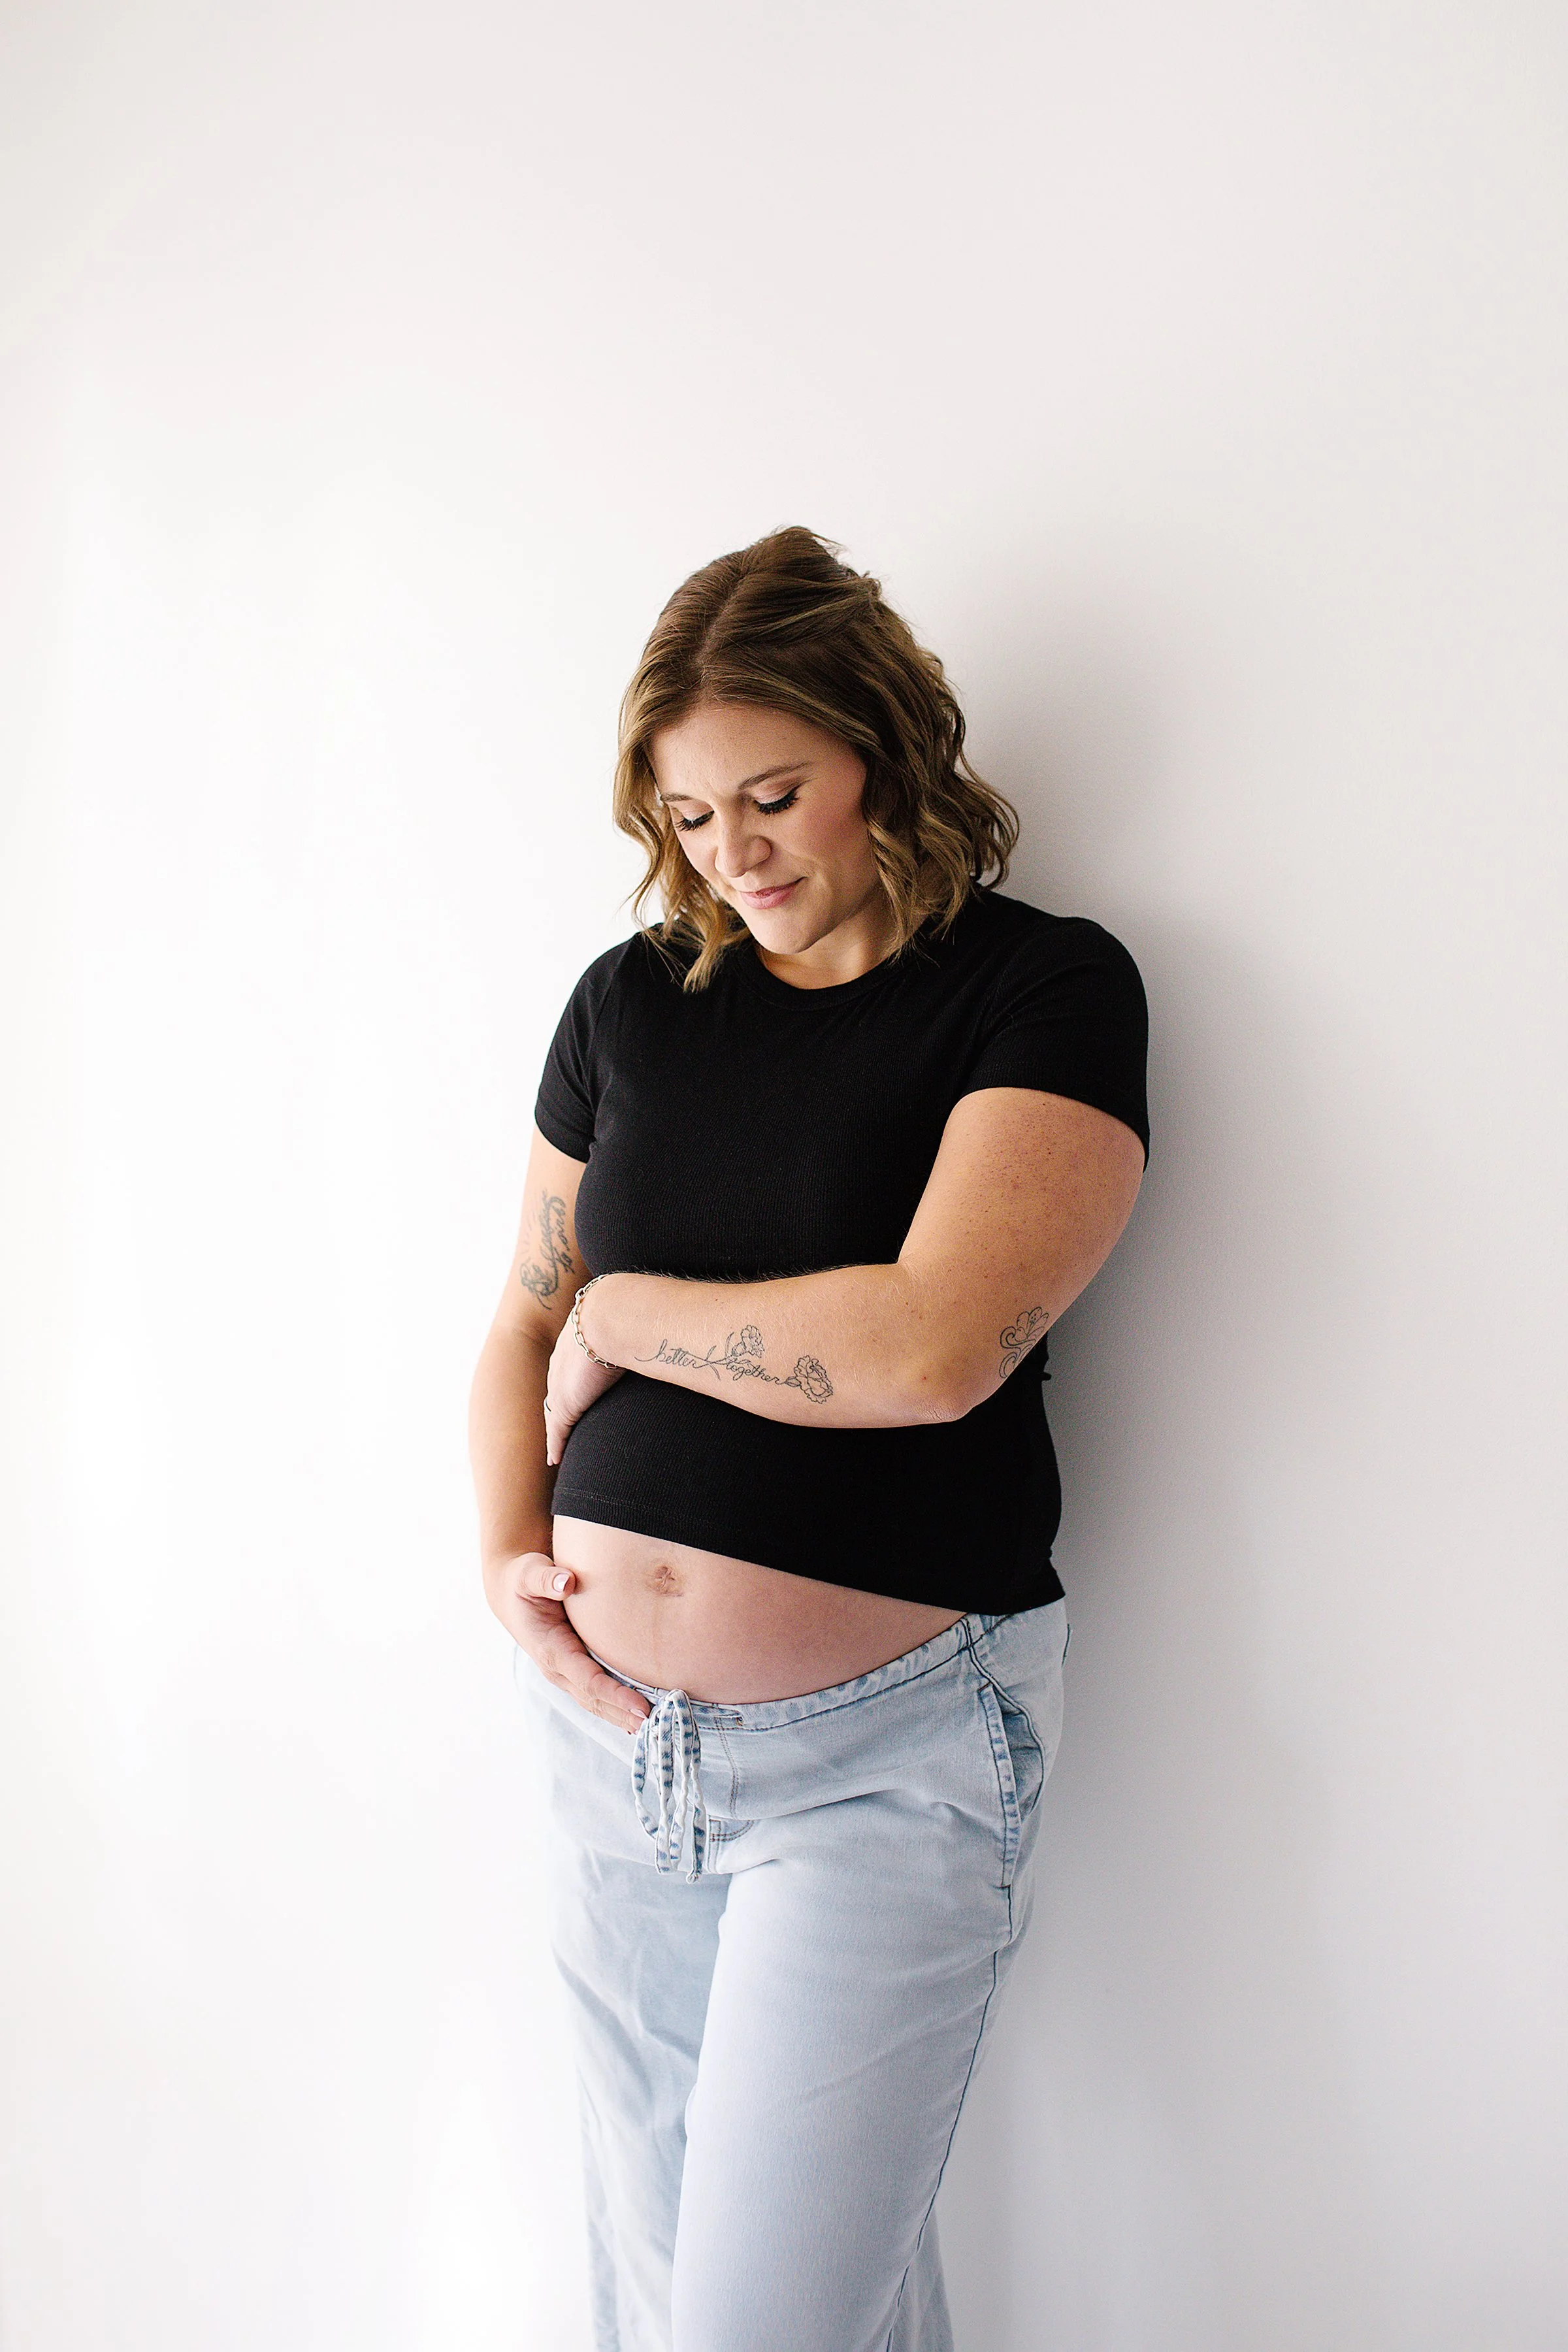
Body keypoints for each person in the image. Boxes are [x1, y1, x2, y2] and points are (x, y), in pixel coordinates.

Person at [467, 526, 1149, 2352]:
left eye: (773, 795)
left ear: (885, 755)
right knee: (674, 2303)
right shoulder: (630, 1008)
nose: (734, 852)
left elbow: (931, 1348)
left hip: (889, 1758)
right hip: (611, 1751)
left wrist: (634, 1316)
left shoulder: (1039, 990)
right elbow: (517, 1325)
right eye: (690, 819)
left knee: (754, 2329)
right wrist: (513, 1574)